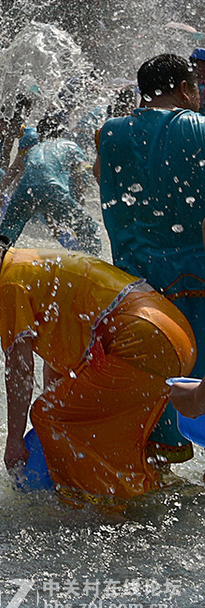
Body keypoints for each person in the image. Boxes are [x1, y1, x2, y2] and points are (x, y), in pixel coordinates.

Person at [0, 225, 195, 502]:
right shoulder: (29, 262)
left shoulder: (11, 284)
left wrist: (14, 440)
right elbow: (57, 362)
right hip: (174, 335)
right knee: (86, 420)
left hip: (140, 342)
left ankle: (102, 505)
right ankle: (158, 489)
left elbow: (19, 370)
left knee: (47, 415)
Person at [98, 54, 205, 461]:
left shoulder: (109, 133)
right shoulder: (199, 129)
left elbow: (102, 179)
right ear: (185, 89)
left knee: (153, 387)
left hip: (136, 290)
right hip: (196, 285)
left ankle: (156, 472)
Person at [0, 114, 101, 253]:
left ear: (39, 135)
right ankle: (94, 265)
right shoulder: (70, 146)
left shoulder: (32, 150)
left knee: (7, 232)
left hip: (24, 191)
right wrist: (78, 212)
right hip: (53, 191)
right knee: (90, 228)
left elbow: (36, 187)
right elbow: (78, 186)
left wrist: (52, 225)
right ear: (61, 133)